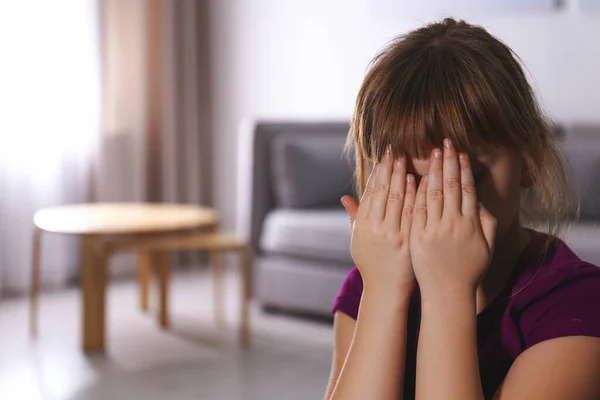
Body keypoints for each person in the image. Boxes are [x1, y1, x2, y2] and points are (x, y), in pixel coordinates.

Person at [325, 18, 600, 400]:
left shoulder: (578, 306)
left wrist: (447, 290)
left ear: (530, 156)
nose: (431, 206)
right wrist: (384, 291)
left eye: (460, 177)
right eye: (405, 180)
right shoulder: (369, 286)